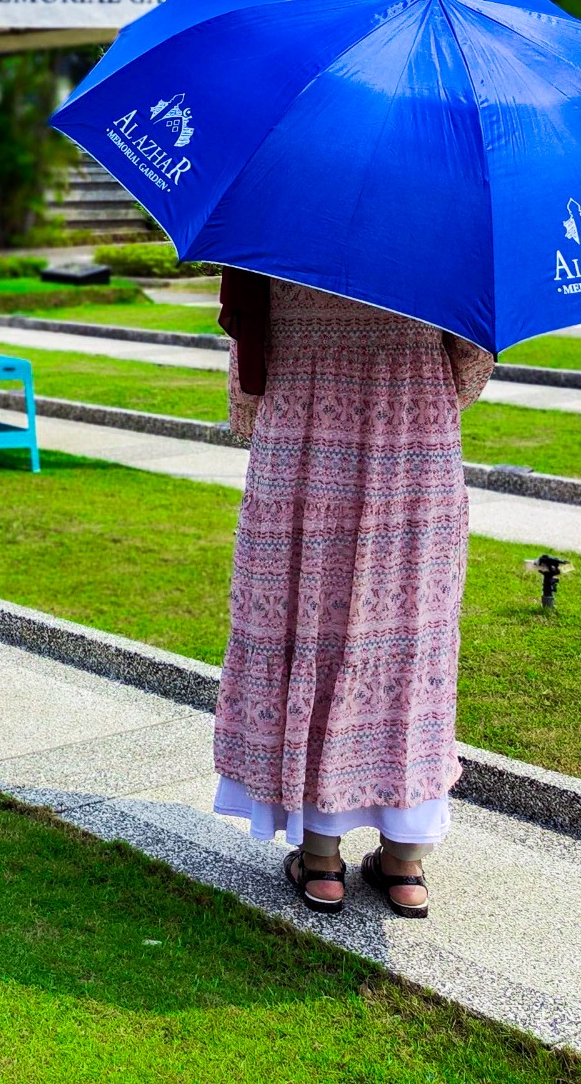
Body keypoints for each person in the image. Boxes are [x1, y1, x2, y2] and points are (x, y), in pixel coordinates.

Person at [209, 267, 494, 919]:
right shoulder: (444, 213)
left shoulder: (283, 193)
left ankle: (321, 858)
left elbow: (246, 332)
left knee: (310, 629)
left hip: (304, 435)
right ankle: (404, 860)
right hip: (410, 437)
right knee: (406, 641)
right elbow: (471, 359)